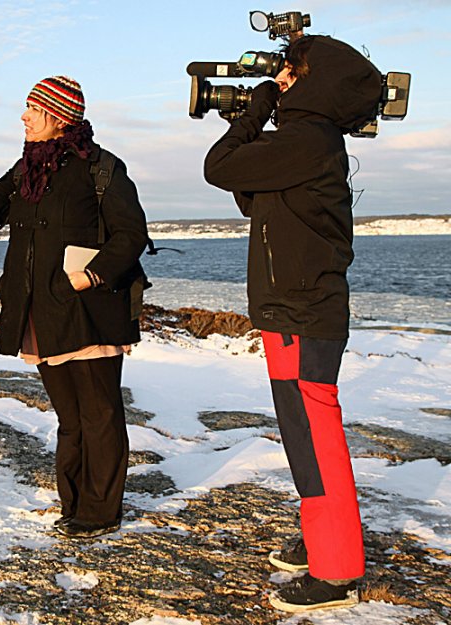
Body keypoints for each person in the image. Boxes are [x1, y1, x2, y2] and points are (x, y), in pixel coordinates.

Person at [0, 76, 149, 539]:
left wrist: (89, 275)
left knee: (99, 413)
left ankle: (101, 511)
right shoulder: (28, 169)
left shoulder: (101, 168)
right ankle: (74, 504)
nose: (23, 117)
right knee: (70, 415)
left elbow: (131, 234)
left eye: (33, 109)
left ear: (59, 116)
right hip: (40, 313)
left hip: (89, 310)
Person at [204, 35, 383, 611]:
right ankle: (323, 540)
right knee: (303, 436)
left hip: (303, 312)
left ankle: (336, 573)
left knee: (316, 438)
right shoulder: (308, 143)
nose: (282, 76)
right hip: (292, 309)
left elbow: (218, 166)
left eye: (290, 70)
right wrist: (259, 123)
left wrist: (255, 109)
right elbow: (249, 193)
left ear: (313, 79)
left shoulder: (309, 139)